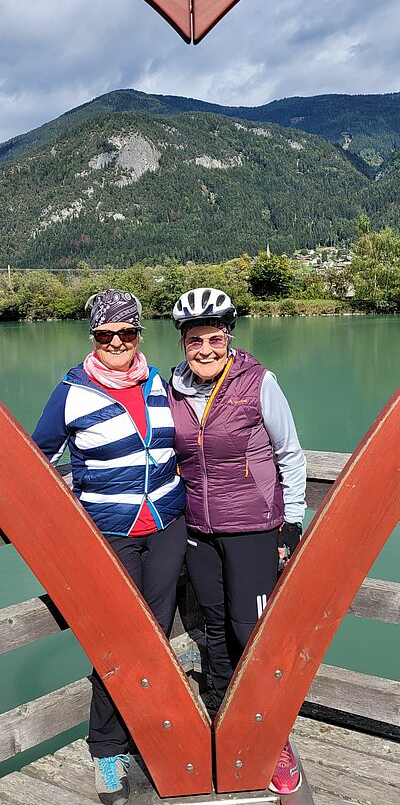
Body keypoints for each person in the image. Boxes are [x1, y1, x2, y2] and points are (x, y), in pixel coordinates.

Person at [33, 289, 186, 805]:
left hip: (166, 526)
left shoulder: (161, 383)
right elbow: (36, 460)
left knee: (158, 636)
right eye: (105, 335)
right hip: (109, 535)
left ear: (140, 334)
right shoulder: (72, 391)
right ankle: (108, 751)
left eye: (126, 333)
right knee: (117, 644)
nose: (116, 342)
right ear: (93, 338)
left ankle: (150, 732)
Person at [168, 287, 307, 797]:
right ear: (183, 344)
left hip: (253, 527)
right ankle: (229, 720)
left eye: (214, 338)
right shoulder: (172, 389)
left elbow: (290, 454)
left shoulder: (259, 381)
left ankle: (274, 737)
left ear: (228, 338)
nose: (205, 349)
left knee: (254, 632)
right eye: (194, 340)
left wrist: (291, 521)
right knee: (215, 629)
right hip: (200, 531)